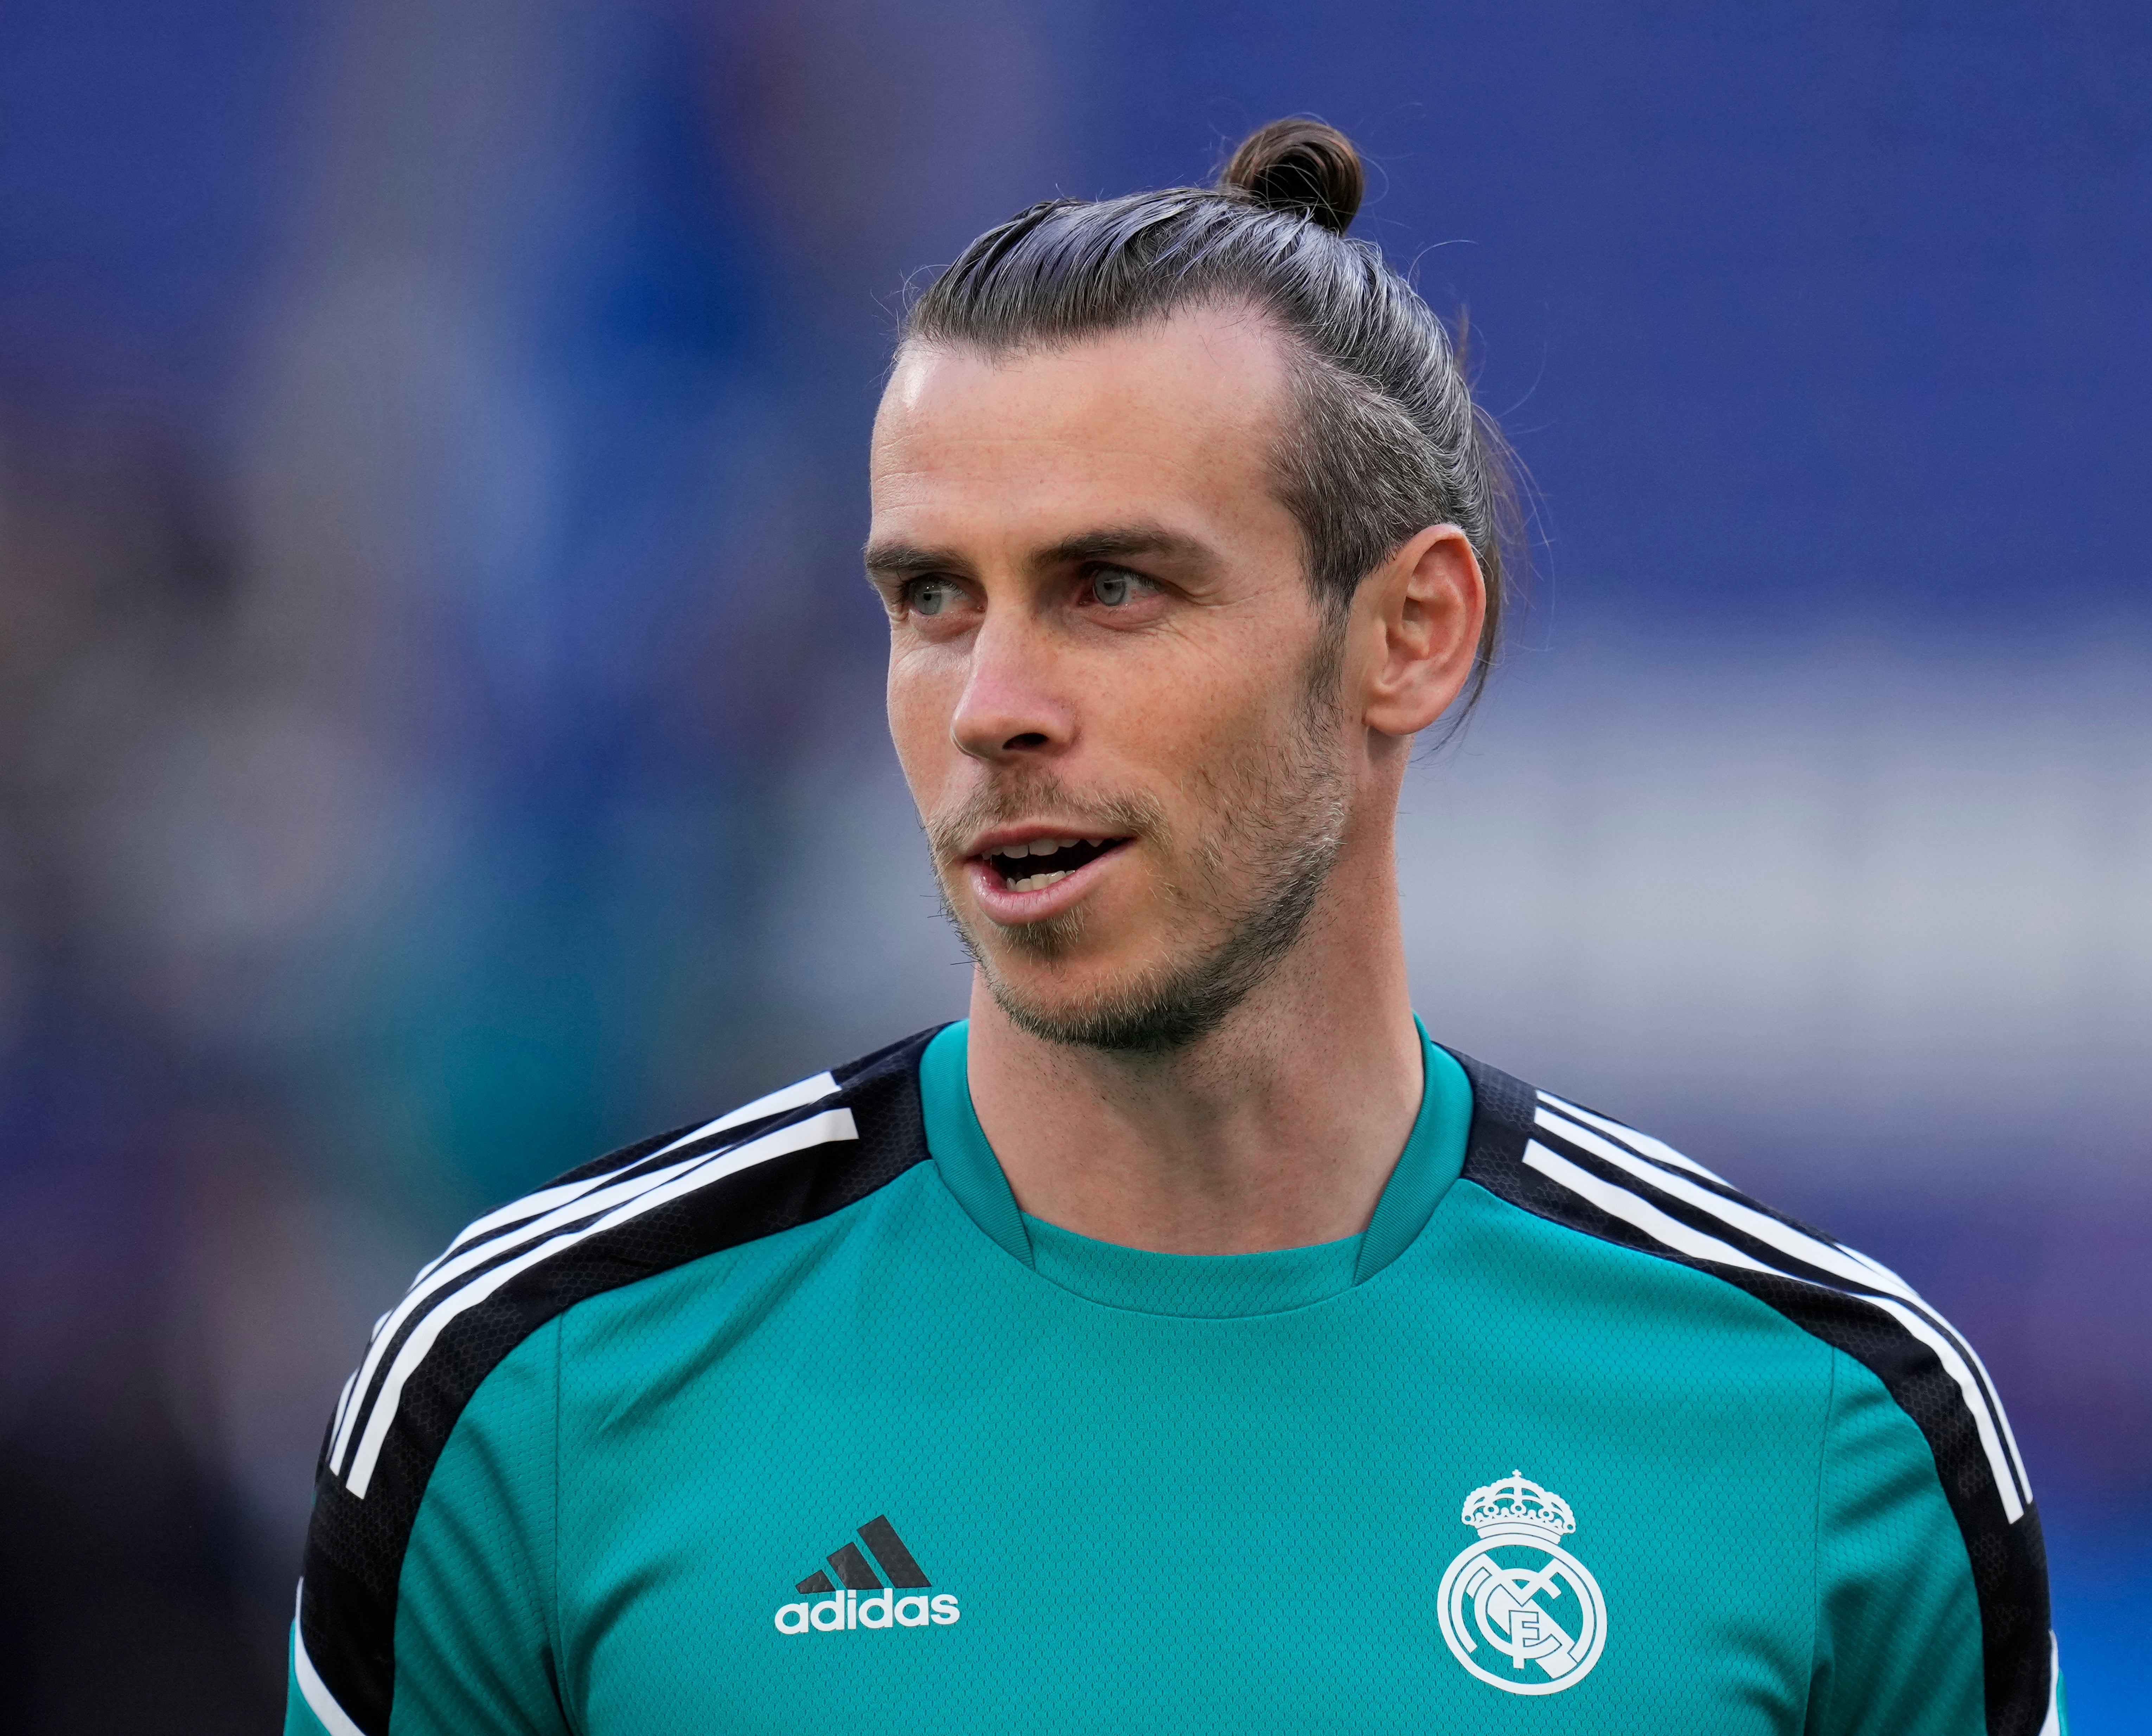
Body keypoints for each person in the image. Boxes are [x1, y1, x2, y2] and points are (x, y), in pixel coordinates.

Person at [288, 118, 2061, 1736]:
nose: (992, 702)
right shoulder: (544, 1386)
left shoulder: (1826, 1426)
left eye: (1110, 587)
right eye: (930, 599)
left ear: (1410, 633)